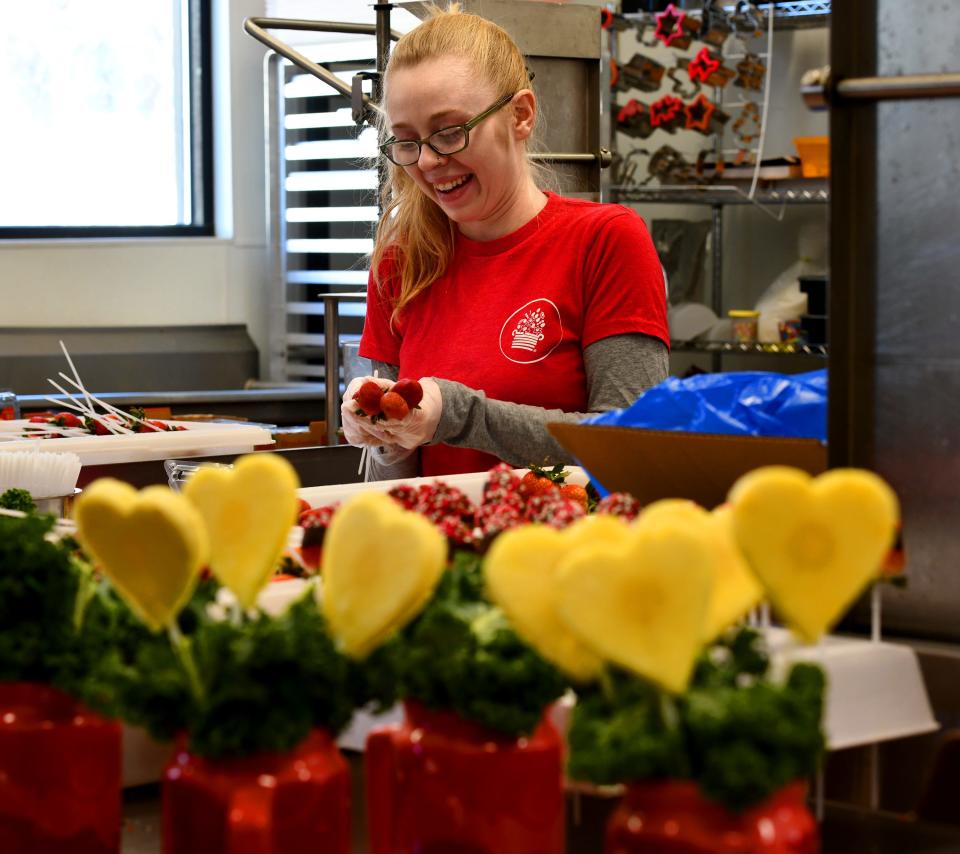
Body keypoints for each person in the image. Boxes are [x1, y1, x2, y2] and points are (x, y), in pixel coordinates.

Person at [341, 5, 669, 479]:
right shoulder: (400, 262)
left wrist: (456, 414)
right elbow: (389, 486)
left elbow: (632, 449)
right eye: (407, 142)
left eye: (449, 132)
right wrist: (386, 436)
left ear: (520, 115)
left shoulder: (605, 241)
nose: (429, 162)